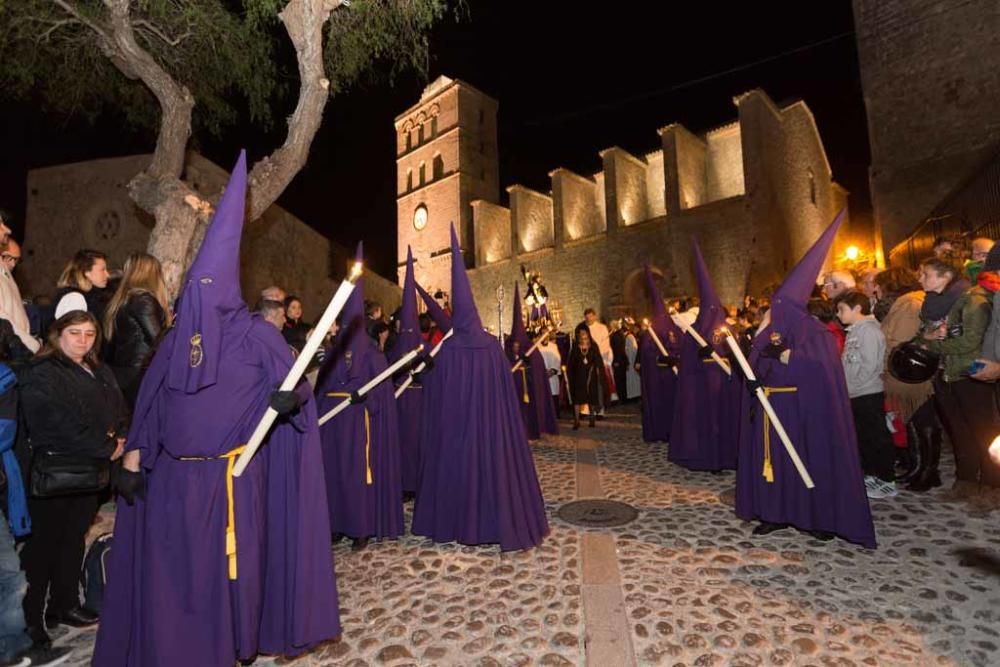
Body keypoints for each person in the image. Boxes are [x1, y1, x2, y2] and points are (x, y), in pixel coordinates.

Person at [93, 152, 341, 666]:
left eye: (209, 290)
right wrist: (135, 460)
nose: (199, 302)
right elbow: (153, 404)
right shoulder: (173, 339)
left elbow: (297, 390)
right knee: (173, 576)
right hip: (172, 486)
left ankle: (230, 647)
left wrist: (290, 400)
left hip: (233, 480)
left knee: (231, 573)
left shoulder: (258, 338)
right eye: (194, 292)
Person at [735, 212, 876, 547]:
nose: (774, 310)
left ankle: (816, 517)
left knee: (809, 459)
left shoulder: (815, 332)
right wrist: (754, 371)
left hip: (804, 411)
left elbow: (822, 370)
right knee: (774, 464)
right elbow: (753, 360)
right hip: (771, 408)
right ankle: (774, 513)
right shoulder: (768, 328)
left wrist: (787, 356)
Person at [412, 226, 548, 552]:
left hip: (457, 431)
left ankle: (459, 523)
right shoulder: (491, 346)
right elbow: (505, 393)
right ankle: (493, 522)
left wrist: (426, 371)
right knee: (492, 473)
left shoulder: (447, 350)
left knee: (459, 472)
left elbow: (436, 392)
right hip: (490, 428)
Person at [19, 305, 128, 650]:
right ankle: (29, 619)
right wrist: (104, 445)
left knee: (72, 542)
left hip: (90, 472)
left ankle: (63, 605)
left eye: (89, 334)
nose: (83, 341)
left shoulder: (98, 368)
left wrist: (119, 438)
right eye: (75, 334)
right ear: (58, 335)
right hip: (58, 472)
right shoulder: (42, 371)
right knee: (42, 550)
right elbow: (52, 423)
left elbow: (120, 408)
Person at [315, 245, 403, 551]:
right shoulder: (331, 353)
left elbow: (381, 397)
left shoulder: (375, 357)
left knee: (356, 476)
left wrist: (366, 401)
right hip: (334, 425)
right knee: (333, 474)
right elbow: (320, 389)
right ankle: (336, 524)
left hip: (359, 427)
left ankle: (360, 528)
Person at [915, 255, 996, 500]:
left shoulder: (973, 299)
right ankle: (966, 481)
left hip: (969, 373)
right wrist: (928, 339)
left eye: (925, 274)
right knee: (958, 430)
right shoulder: (930, 303)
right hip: (944, 373)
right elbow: (922, 334)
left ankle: (992, 486)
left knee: (983, 432)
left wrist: (933, 346)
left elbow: (971, 341)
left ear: (945, 277)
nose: (920, 278)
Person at [669, 240, 741, 471]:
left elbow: (739, 358)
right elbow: (687, 364)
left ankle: (728, 456)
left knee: (725, 422)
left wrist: (727, 358)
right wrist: (700, 356)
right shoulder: (694, 333)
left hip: (725, 385)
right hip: (701, 386)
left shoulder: (729, 330)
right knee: (706, 423)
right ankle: (707, 458)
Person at [875, 267, 938, 491]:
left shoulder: (909, 304)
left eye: (879, 286)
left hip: (911, 374)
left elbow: (902, 340)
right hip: (904, 373)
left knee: (922, 421)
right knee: (913, 421)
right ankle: (918, 467)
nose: (876, 290)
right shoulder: (905, 303)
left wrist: (883, 346)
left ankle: (928, 470)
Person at [837, 289, 897, 499]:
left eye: (842, 309)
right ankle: (871, 474)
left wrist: (854, 385)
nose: (838, 314)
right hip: (856, 392)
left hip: (867, 392)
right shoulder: (855, 331)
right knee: (864, 437)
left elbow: (870, 364)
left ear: (857, 309)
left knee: (876, 436)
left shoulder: (869, 331)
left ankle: (887, 478)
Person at [104, 253, 169, 410]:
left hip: (124, 372)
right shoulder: (143, 299)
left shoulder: (122, 300)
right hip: (140, 374)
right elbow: (159, 341)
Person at [390, 248, 425, 499]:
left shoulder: (424, 344)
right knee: (403, 445)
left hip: (421, 400)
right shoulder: (393, 344)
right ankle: (404, 484)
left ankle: (421, 481)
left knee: (421, 444)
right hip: (401, 402)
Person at [505, 284, 558, 440]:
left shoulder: (531, 350)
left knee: (529, 409)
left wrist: (528, 364)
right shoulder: (506, 352)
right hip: (514, 388)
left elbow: (538, 369)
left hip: (528, 387)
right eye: (514, 345)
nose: (516, 347)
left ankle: (533, 429)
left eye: (518, 345)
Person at [637, 266, 681, 443]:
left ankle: (675, 430)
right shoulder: (651, 332)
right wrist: (659, 358)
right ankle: (660, 431)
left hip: (673, 373)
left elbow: (682, 345)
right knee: (659, 403)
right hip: (657, 375)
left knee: (673, 404)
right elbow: (646, 354)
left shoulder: (674, 328)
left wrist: (677, 358)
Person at [0, 234, 38, 361]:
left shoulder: (7, 276)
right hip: (12, 345)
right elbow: (3, 317)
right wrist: (31, 343)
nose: (13, 264)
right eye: (8, 257)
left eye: (16, 260)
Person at [53, 250, 111, 330]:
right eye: (102, 270)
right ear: (86, 272)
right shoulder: (74, 299)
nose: (108, 275)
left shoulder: (93, 296)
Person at [566, 328, 604, 429]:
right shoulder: (575, 348)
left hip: (591, 377)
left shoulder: (593, 347)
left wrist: (598, 371)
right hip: (578, 377)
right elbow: (571, 363)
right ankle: (577, 421)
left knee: (591, 398)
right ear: (579, 336)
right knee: (577, 399)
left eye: (585, 333)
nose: (583, 335)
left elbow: (598, 361)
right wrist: (570, 375)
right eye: (581, 334)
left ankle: (592, 418)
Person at [582, 308, 615, 410]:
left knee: (599, 385)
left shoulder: (602, 328)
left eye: (590, 317)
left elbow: (605, 344)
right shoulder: (583, 329)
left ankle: (600, 408)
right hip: (587, 360)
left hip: (599, 360)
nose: (589, 319)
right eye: (587, 317)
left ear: (594, 316)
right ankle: (588, 407)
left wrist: (597, 355)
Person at [537, 333, 563, 417]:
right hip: (541, 374)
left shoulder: (553, 346)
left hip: (552, 374)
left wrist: (552, 371)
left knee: (553, 394)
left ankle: (555, 414)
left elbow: (557, 358)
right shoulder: (536, 346)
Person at [609, 319, 629, 403]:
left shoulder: (616, 336)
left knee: (619, 380)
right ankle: (623, 397)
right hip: (622, 360)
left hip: (619, 360)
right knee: (622, 380)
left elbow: (617, 349)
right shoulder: (620, 334)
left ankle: (621, 398)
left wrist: (616, 361)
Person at [624, 319, 641, 402]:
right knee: (632, 380)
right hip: (631, 360)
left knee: (634, 380)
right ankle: (633, 396)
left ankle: (634, 395)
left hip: (632, 359)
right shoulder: (630, 337)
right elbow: (634, 349)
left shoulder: (631, 337)